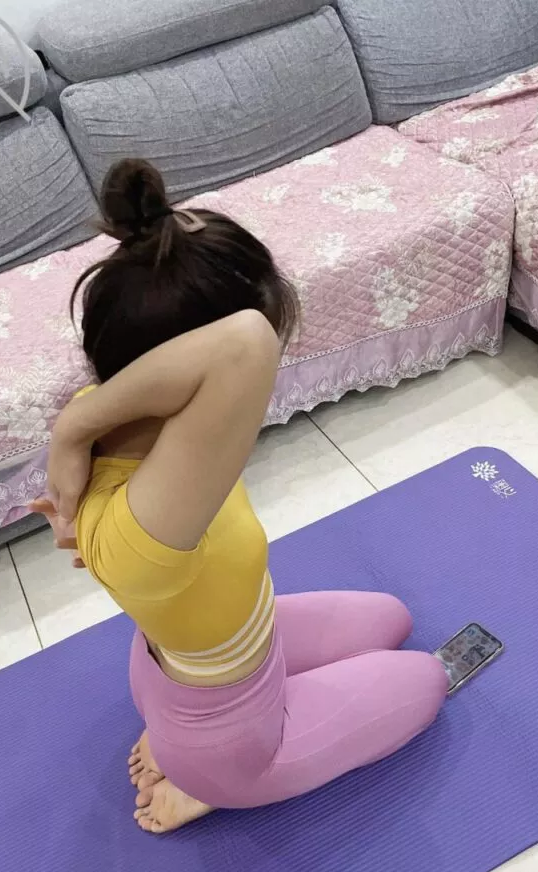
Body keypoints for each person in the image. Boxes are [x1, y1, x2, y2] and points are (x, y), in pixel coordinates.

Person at [33, 159, 448, 835]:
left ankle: (177, 736)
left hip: (204, 659)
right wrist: (69, 429)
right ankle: (210, 785)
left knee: (392, 617)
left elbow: (226, 347)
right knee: (426, 680)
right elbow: (245, 342)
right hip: (230, 739)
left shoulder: (119, 422)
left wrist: (76, 424)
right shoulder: (144, 519)